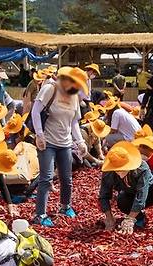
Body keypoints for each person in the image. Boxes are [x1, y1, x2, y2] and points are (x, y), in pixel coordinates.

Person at [31, 67, 88, 227]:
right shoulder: (50, 89)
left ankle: (65, 206)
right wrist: (39, 135)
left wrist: (80, 142)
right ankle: (40, 214)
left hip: (65, 143)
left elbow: (74, 121)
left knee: (66, 178)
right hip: (47, 142)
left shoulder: (74, 96)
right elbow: (35, 112)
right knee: (46, 178)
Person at [99, 141, 153, 232]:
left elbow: (141, 194)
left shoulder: (141, 168)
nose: (120, 172)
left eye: (123, 168)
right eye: (117, 169)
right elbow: (104, 196)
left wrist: (130, 218)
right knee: (121, 200)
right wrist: (109, 217)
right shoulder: (108, 172)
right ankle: (139, 217)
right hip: (131, 194)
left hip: (151, 192)